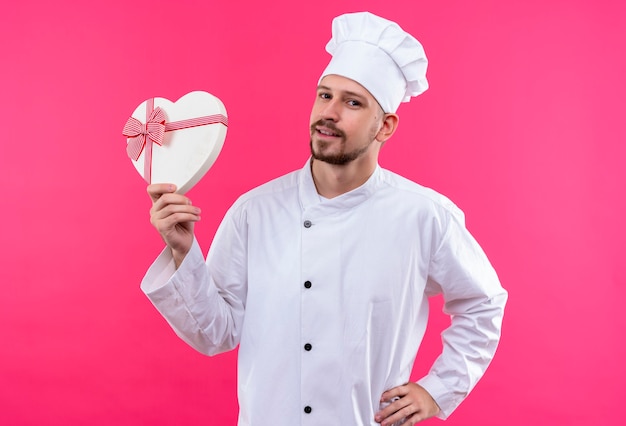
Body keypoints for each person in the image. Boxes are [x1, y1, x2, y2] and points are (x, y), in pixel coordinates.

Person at [141, 11, 507, 426]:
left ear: (385, 126)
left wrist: (438, 389)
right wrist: (182, 251)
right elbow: (215, 334)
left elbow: (484, 303)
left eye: (353, 102)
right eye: (324, 95)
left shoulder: (424, 216)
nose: (329, 112)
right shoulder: (254, 212)